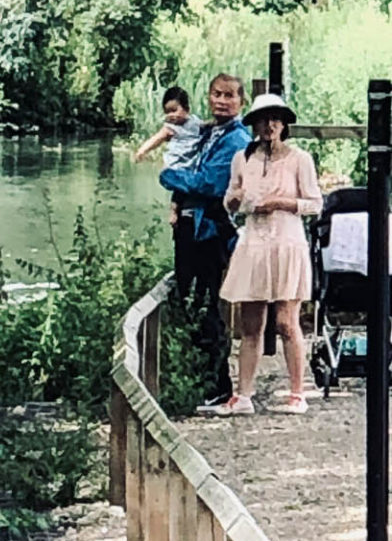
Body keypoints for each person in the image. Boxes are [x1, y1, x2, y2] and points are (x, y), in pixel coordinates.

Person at [203, 92, 322, 415]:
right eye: (263, 120)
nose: (269, 125)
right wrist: (236, 199)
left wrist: (281, 203)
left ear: (284, 124)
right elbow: (231, 198)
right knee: (250, 322)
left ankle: (297, 392)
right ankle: (243, 395)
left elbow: (314, 203)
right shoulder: (243, 158)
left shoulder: (300, 158)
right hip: (255, 240)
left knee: (286, 320)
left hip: (286, 240)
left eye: (275, 119)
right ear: (254, 124)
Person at [159, 74, 253, 407]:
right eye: (217, 94)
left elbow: (210, 183)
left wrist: (168, 176)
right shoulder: (210, 132)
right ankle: (199, 380)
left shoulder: (236, 139)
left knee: (205, 303)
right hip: (192, 227)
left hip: (209, 231)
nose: (222, 101)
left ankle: (217, 386)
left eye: (230, 95)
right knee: (191, 300)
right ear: (208, 97)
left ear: (241, 101)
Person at [135, 86, 205, 294]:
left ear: (187, 108)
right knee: (178, 191)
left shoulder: (196, 123)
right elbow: (156, 139)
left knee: (185, 187)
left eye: (175, 110)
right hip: (178, 165)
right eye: (167, 111)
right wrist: (142, 150)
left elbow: (208, 127)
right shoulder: (170, 127)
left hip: (192, 164)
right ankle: (174, 209)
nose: (171, 116)